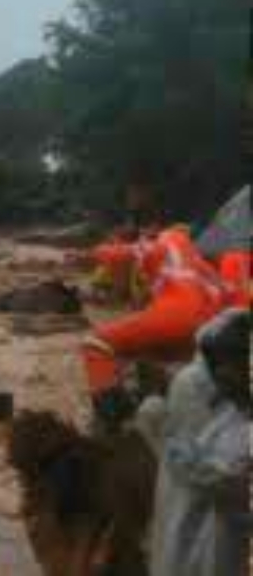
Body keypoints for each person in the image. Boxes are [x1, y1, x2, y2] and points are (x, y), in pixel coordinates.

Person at [139, 308, 251, 576]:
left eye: (227, 367)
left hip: (218, 545)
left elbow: (220, 478)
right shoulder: (226, 407)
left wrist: (162, 430)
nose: (220, 376)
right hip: (195, 536)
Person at [80, 226, 228, 429]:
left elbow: (122, 254)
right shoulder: (200, 263)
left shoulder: (165, 242)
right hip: (211, 326)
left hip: (177, 314)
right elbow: (225, 293)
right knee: (147, 354)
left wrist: (92, 253)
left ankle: (113, 425)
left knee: (95, 344)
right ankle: (166, 404)